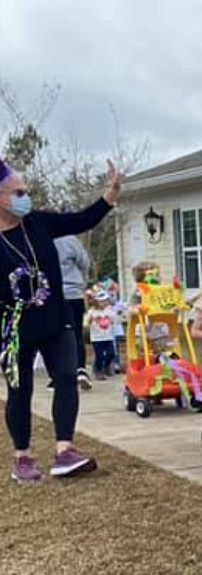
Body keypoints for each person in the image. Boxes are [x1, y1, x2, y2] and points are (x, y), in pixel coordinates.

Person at [1, 157, 122, 483]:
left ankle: (64, 450)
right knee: (19, 390)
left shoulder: (39, 223)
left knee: (67, 377)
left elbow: (80, 220)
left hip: (56, 319)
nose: (26, 196)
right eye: (18, 191)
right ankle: (22, 458)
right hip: (13, 329)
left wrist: (109, 196)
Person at [54, 233, 93, 390]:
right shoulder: (71, 240)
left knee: (55, 335)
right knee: (76, 333)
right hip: (74, 293)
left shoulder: (39, 238)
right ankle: (80, 369)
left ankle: (58, 374)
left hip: (52, 295)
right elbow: (85, 263)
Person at [85, 282, 118, 380]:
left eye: (105, 301)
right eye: (102, 301)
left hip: (108, 336)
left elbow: (114, 319)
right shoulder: (92, 312)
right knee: (99, 355)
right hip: (97, 338)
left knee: (111, 353)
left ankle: (107, 366)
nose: (104, 303)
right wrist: (89, 321)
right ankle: (98, 370)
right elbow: (86, 322)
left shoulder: (109, 310)